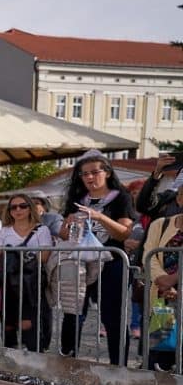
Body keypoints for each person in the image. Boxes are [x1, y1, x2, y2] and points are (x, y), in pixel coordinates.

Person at [58, 150, 136, 364]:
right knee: (73, 313)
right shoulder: (77, 198)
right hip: (80, 262)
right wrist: (71, 223)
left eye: (94, 172)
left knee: (113, 317)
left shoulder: (121, 196)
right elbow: (64, 234)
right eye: (84, 174)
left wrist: (99, 216)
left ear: (108, 173)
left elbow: (124, 232)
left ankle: (118, 365)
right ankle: (67, 361)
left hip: (112, 262)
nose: (90, 178)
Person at [0, 194, 52, 352]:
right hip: (9, 284)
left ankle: (34, 364)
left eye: (23, 206)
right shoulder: (4, 231)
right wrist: (18, 257)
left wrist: (16, 256)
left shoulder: (42, 229)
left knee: (30, 327)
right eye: (13, 207)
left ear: (30, 207)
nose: (18, 209)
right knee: (9, 327)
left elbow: (45, 256)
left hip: (32, 285)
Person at [144, 184, 183, 371]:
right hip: (162, 302)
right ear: (180, 200)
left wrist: (175, 280)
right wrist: (163, 281)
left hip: (176, 294)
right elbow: (148, 255)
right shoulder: (160, 225)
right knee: (159, 358)